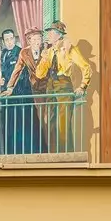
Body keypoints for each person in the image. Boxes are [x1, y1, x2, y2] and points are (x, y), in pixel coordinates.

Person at [33, 21, 92, 153]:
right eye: (49, 32)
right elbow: (39, 74)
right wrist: (43, 59)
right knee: (51, 124)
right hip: (50, 87)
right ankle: (54, 155)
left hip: (63, 86)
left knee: (63, 125)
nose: (49, 35)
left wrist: (82, 86)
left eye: (52, 32)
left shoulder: (69, 48)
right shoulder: (48, 52)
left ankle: (66, 156)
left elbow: (86, 67)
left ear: (59, 35)